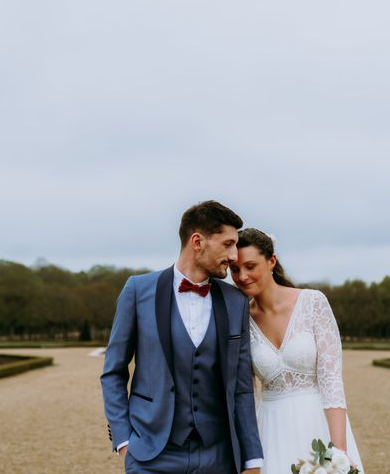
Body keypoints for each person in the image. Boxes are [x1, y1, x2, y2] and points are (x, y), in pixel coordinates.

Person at [101, 201, 263, 474]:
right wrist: (124, 440)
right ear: (197, 241)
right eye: (227, 244)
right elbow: (113, 372)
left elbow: (242, 387)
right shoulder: (138, 291)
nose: (234, 256)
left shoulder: (236, 301)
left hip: (218, 457)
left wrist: (252, 459)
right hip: (151, 455)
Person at [229, 228, 364, 474]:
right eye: (235, 269)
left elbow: (331, 380)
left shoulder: (313, 302)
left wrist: (339, 452)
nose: (242, 276)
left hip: (318, 424)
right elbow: (246, 393)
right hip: (270, 431)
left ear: (271, 261)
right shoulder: (240, 319)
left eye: (250, 266)